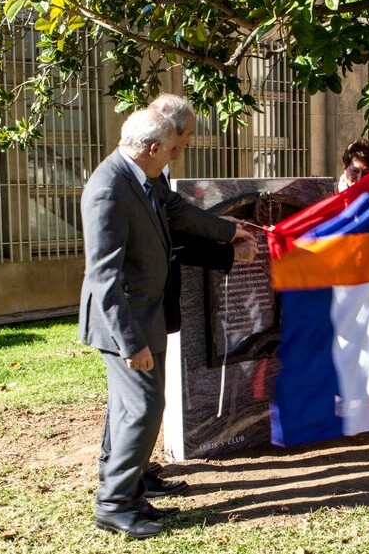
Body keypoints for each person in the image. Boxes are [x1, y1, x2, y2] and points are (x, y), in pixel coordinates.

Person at [79, 106, 256, 538]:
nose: (179, 151)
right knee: (140, 410)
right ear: (154, 147)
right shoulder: (109, 188)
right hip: (127, 323)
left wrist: (226, 230)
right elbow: (104, 277)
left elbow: (178, 211)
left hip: (148, 315)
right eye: (174, 146)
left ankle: (132, 494)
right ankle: (114, 504)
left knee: (135, 409)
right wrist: (129, 342)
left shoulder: (142, 176)